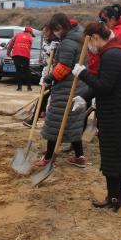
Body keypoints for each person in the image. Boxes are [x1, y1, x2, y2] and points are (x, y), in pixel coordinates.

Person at [72, 22, 121, 211]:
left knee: (114, 156)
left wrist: (83, 74)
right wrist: (84, 96)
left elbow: (104, 86)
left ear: (95, 38)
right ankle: (119, 196)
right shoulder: (114, 51)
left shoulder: (112, 55)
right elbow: (104, 84)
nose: (89, 48)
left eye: (89, 43)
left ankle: (114, 199)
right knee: (115, 156)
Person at [36, 13, 88, 168]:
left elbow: (63, 68)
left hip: (67, 87)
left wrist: (49, 78)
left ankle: (48, 157)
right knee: (72, 122)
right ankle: (79, 156)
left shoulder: (68, 43)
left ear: (61, 28)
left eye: (55, 30)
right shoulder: (78, 37)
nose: (54, 33)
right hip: (78, 85)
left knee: (55, 121)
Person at [89, 3, 121, 76]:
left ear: (113, 18)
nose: (103, 23)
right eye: (100, 20)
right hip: (102, 68)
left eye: (104, 20)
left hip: (116, 69)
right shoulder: (106, 28)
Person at [8, 26, 34, 91]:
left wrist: (8, 52)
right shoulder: (30, 38)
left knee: (18, 70)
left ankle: (19, 87)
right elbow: (29, 49)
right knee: (27, 71)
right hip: (25, 55)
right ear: (29, 32)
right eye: (31, 34)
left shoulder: (17, 35)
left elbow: (11, 44)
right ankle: (29, 87)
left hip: (16, 54)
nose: (31, 35)